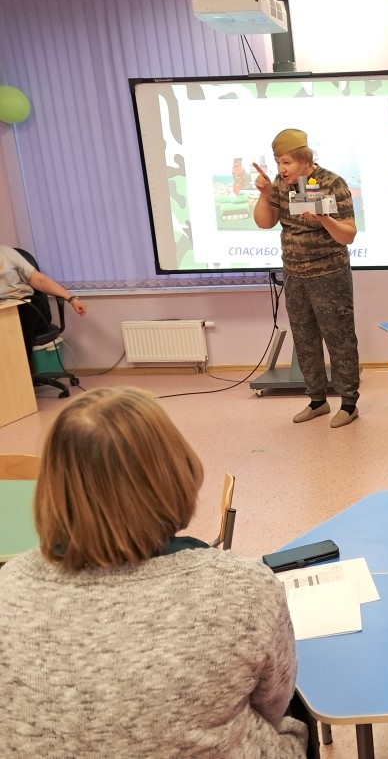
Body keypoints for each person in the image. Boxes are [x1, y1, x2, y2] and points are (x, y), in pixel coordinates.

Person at [0, 387, 310, 758]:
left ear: (51, 486)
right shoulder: (243, 587)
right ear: (175, 471)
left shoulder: (8, 586)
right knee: (297, 714)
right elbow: (273, 705)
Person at [254, 128, 360, 428]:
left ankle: (348, 403)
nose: (281, 169)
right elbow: (265, 222)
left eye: (287, 162)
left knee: (339, 339)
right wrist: (264, 194)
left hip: (329, 274)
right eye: (278, 162)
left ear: (305, 160)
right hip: (294, 273)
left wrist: (324, 219)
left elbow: (348, 235)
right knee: (304, 339)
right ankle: (317, 400)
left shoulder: (332, 183)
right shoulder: (280, 185)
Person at [1, 243, 87, 360]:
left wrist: (72, 298)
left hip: (26, 304)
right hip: (3, 310)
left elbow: (40, 280)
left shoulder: (6, 253)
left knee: (16, 329)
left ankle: (19, 367)